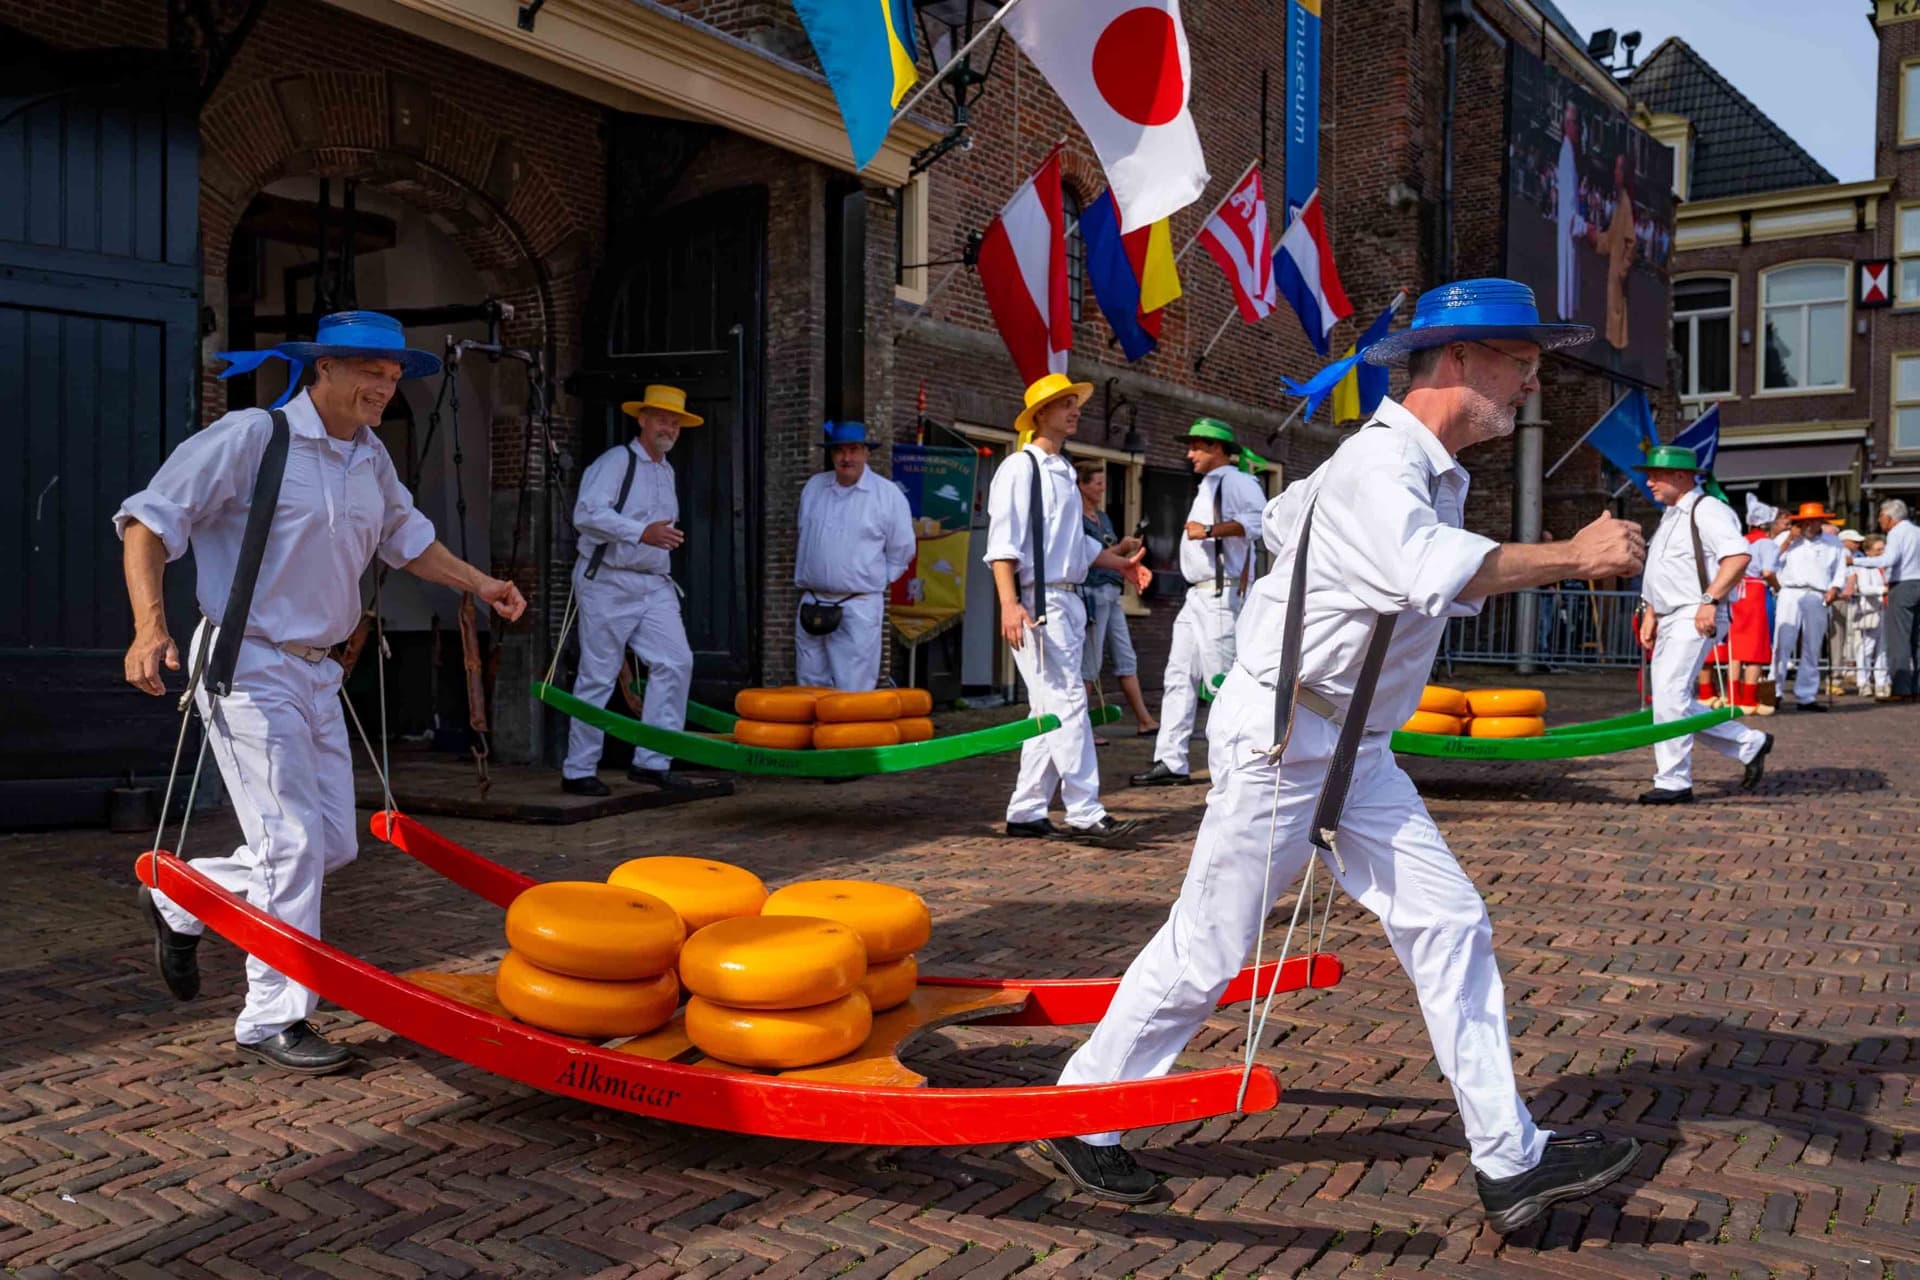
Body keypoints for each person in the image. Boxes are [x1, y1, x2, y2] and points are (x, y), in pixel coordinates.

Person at [1039, 280, 1645, 1234]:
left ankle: (1510, 1158)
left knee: (1451, 922)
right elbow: (1429, 570)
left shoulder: (1413, 469)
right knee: (1211, 944)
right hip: (1285, 739)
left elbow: (1285, 528)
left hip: (1352, 745)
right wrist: (1573, 554)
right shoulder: (1382, 471)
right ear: (1457, 363)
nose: (1532, 381)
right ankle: (1084, 1116)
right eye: (1519, 362)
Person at [120, 311, 528, 1073]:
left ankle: (182, 897)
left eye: (395, 372)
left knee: (333, 841)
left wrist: (481, 584)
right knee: (293, 845)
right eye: (372, 371)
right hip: (248, 662)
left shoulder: (369, 459)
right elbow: (147, 522)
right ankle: (272, 1017)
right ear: (325, 370)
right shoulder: (252, 439)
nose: (387, 384)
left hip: (319, 669)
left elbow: (410, 540)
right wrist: (149, 628)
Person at [988, 373, 1152, 845]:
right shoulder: (1021, 468)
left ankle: (1026, 811)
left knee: (1049, 708)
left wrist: (1120, 566)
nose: (1074, 409)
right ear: (1040, 415)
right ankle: (1085, 810)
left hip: (1069, 600)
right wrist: (1009, 603)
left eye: (1075, 402)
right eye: (1064, 403)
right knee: (1068, 702)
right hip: (1039, 602)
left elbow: (1074, 544)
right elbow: (1003, 542)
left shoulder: (1062, 472)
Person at [562, 385, 702, 795]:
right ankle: (578, 769)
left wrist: (652, 539)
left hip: (654, 583)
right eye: (662, 419)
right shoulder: (616, 461)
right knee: (599, 674)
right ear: (641, 419)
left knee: (676, 662)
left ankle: (652, 760)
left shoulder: (666, 469)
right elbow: (586, 515)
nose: (669, 428)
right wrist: (641, 532)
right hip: (608, 579)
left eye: (675, 422)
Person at [1631, 448, 1773, 805]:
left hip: (1695, 613)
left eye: (1656, 474)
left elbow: (1738, 556)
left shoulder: (1705, 508)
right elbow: (1664, 572)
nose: (1648, 481)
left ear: (1681, 476)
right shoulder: (1670, 516)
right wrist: (1651, 612)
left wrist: (1709, 600)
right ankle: (1748, 743)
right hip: (1672, 615)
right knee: (1669, 697)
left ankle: (1674, 780)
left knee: (1670, 694)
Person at [1132, 419, 1267, 787]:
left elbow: (1259, 523)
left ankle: (1239, 762)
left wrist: (1208, 531)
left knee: (1222, 679)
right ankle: (1170, 760)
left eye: (1198, 447)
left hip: (1221, 594)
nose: (1189, 454)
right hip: (1197, 595)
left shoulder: (1239, 481)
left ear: (1220, 450)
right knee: (1178, 676)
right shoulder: (1208, 484)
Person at [793, 421, 914, 691]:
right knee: (808, 686)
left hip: (857, 605)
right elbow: (804, 533)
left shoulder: (887, 495)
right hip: (812, 602)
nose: (847, 458)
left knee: (853, 688)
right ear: (831, 454)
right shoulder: (814, 488)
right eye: (839, 451)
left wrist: (873, 581)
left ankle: (852, 736)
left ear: (866, 453)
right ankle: (815, 734)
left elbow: (902, 550)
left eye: (854, 450)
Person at [1077, 460, 1158, 736]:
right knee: (1090, 663)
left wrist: (1127, 552)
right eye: (1097, 484)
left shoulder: (1104, 518)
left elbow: (1111, 556)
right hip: (1092, 592)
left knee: (1126, 656)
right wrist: (1122, 548)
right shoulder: (1075, 519)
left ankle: (1145, 719)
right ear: (1081, 485)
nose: (1101, 489)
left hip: (1112, 592)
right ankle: (1082, 729)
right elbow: (1086, 559)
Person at [1770, 502, 1847, 712]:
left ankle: (1806, 695)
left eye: (1816, 520)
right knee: (1782, 642)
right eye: (1808, 521)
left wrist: (1835, 588)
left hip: (1817, 592)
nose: (1812, 524)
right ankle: (1774, 691)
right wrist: (1789, 539)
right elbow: (1769, 560)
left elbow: (1840, 570)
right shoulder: (1786, 539)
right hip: (1790, 591)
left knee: (1812, 645)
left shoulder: (1833, 543)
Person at [1849, 498, 1920, 700]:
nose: (1879, 520)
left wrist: (1855, 560)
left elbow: (1888, 560)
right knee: (1917, 639)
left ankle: (1901, 689)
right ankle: (1917, 687)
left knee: (1899, 639)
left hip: (1903, 584)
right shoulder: (1917, 531)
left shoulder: (1897, 533)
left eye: (1880, 515)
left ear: (1889, 517)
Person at [1728, 496, 1779, 715]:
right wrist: (1778, 586)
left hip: (1738, 592)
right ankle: (1748, 700)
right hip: (1757, 593)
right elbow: (1768, 572)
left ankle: (1732, 697)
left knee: (1736, 648)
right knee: (1756, 647)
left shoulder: (1742, 540)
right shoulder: (1767, 543)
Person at [1587, 154, 1636, 350]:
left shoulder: (1624, 204)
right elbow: (1613, 239)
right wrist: (1596, 239)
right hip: (1614, 275)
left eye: (1618, 169)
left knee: (1617, 331)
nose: (1615, 173)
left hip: (1617, 277)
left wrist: (1622, 272)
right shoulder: (1619, 203)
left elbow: (1631, 242)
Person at [1849, 533, 1892, 701]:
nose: (1882, 552)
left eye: (1883, 549)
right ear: (1868, 552)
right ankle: (1863, 682)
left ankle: (1881, 682)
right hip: (1870, 610)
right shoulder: (1863, 567)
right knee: (1866, 648)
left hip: (1886, 610)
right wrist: (1883, 590)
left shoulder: (1887, 566)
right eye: (1878, 550)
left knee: (1883, 648)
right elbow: (1864, 588)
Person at [1555, 100, 1582, 321]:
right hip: (1568, 226)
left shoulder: (1571, 153)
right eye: (1572, 123)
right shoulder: (1566, 154)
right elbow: (1567, 201)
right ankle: (1564, 314)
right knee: (1567, 269)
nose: (1576, 129)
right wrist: (1581, 225)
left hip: (1570, 226)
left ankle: (1567, 312)